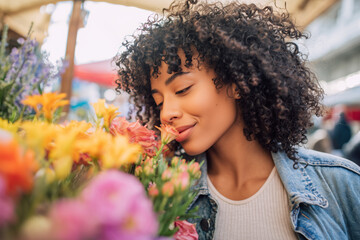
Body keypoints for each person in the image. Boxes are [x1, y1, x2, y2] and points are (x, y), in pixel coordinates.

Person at [115, 1, 360, 239]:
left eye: (182, 89)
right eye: (158, 102)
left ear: (236, 83)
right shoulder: (160, 196)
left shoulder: (342, 184)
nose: (166, 113)